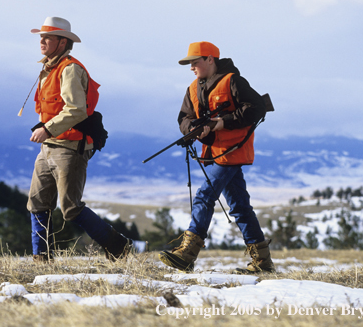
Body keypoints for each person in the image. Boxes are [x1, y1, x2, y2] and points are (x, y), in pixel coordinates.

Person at [158, 41, 275, 274]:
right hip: (212, 152)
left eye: (195, 62)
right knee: (240, 207)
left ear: (210, 59)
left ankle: (188, 254)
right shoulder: (192, 88)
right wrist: (192, 128)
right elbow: (183, 118)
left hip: (233, 151)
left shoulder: (233, 82)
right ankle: (263, 262)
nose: (191, 67)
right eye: (189, 63)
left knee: (204, 196)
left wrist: (221, 122)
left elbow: (256, 109)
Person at [27, 16, 132, 262]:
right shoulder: (49, 69)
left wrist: (48, 129)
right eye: (41, 37)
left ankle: (118, 245)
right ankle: (41, 260)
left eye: (47, 37)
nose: (41, 41)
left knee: (70, 208)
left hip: (70, 147)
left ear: (62, 42)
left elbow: (76, 110)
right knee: (37, 203)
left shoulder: (70, 69)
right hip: (49, 146)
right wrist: (48, 131)